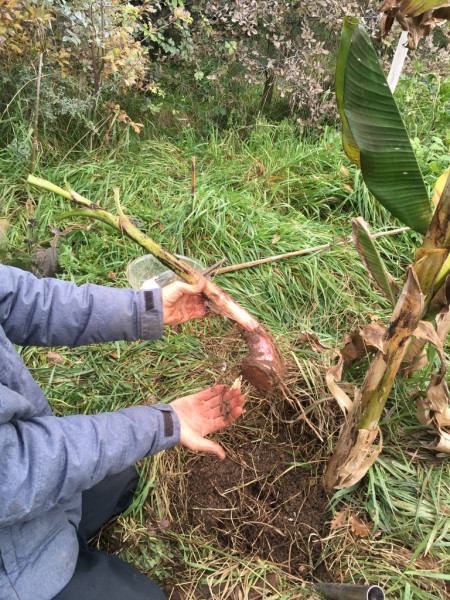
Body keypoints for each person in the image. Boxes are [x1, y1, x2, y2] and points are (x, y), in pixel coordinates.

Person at [0, 263, 245, 600]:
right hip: (12, 569)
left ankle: (62, 521)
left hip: (28, 489)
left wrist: (144, 309)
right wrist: (165, 422)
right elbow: (15, 472)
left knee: (122, 478)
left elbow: (23, 300)